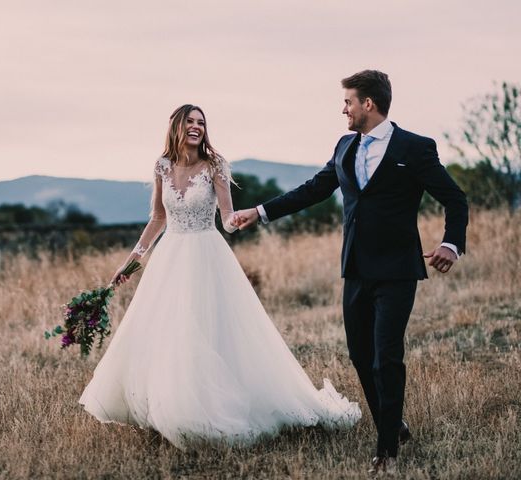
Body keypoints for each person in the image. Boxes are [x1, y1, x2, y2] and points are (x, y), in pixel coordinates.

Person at [79, 104, 361, 450]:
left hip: (207, 254)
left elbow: (226, 216)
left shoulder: (215, 166)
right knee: (168, 332)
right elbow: (157, 218)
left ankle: (208, 411)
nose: (196, 127)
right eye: (190, 122)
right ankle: (165, 407)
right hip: (170, 257)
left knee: (208, 330)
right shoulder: (162, 166)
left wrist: (237, 221)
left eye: (201, 122)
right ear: (177, 127)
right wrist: (133, 260)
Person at [233, 70, 469, 475]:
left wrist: (451, 243)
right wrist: (260, 211)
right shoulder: (344, 145)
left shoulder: (414, 147)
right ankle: (394, 425)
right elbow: (314, 188)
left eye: (348, 101)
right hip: (356, 269)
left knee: (386, 358)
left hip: (397, 270)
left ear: (368, 104)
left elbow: (454, 198)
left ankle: (387, 452)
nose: (343, 108)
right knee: (361, 356)